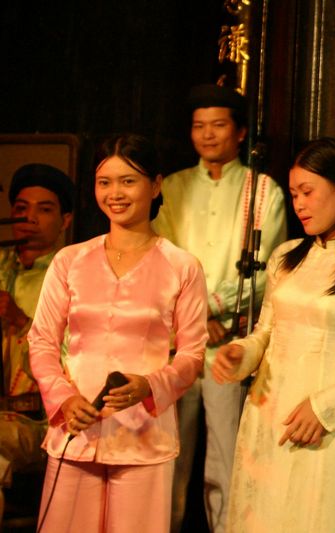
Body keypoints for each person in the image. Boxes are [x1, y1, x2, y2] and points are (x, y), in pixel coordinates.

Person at [212, 137, 335, 532]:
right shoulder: (286, 257)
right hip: (266, 412)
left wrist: (327, 407)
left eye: (308, 192)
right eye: (293, 194)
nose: (299, 204)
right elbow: (265, 333)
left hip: (322, 420)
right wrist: (241, 354)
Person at [28, 134, 207, 533]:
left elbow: (192, 355)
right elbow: (41, 342)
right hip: (75, 429)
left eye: (128, 181)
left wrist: (150, 385)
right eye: (104, 181)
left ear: (156, 185)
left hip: (142, 436)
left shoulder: (182, 266)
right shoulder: (69, 261)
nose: (115, 193)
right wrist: (63, 399)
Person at [152, 83, 286, 532]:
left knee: (227, 456)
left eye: (218, 125)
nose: (207, 135)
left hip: (228, 342)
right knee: (169, 454)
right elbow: (159, 258)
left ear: (241, 131)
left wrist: (215, 310)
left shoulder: (263, 190)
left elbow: (271, 267)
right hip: (173, 345)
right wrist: (194, 315)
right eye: (198, 126)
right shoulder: (171, 188)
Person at [0, 163, 74, 516]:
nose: (29, 218)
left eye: (45, 210)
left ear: (65, 221)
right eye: (20, 209)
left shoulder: (71, 275)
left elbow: (70, 361)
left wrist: (18, 321)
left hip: (38, 419)